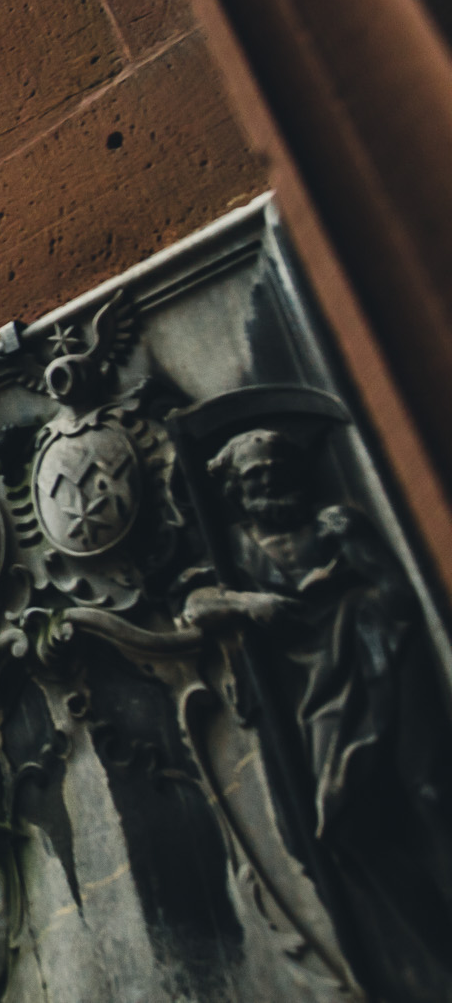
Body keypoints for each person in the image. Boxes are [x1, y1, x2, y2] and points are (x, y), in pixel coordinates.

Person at [207, 429, 452, 1001]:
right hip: (318, 693)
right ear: (237, 490)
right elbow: (195, 606)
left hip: (378, 663)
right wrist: (247, 600)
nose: (268, 480)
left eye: (276, 467)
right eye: (255, 475)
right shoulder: (237, 550)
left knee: (428, 793)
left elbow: (398, 596)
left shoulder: (333, 525)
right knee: (340, 824)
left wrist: (344, 575)